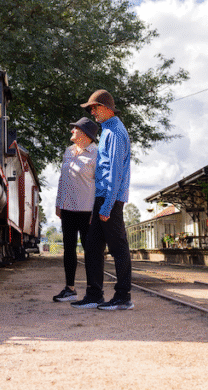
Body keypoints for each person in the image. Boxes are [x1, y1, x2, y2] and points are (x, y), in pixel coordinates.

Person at [71, 89, 133, 311]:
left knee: (118, 248)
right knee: (93, 247)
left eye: (95, 108)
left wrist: (107, 205)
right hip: (102, 197)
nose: (92, 112)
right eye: (91, 109)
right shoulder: (107, 130)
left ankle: (123, 296)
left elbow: (115, 172)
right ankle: (94, 295)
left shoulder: (116, 133)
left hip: (111, 199)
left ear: (107, 108)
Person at [52, 117, 100, 302]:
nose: (71, 131)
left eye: (75, 129)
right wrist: (58, 202)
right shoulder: (69, 151)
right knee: (69, 249)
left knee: (90, 251)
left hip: (87, 210)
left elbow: (100, 184)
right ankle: (70, 288)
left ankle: (92, 291)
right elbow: (63, 179)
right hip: (67, 209)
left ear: (85, 135)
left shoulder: (96, 153)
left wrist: (96, 210)